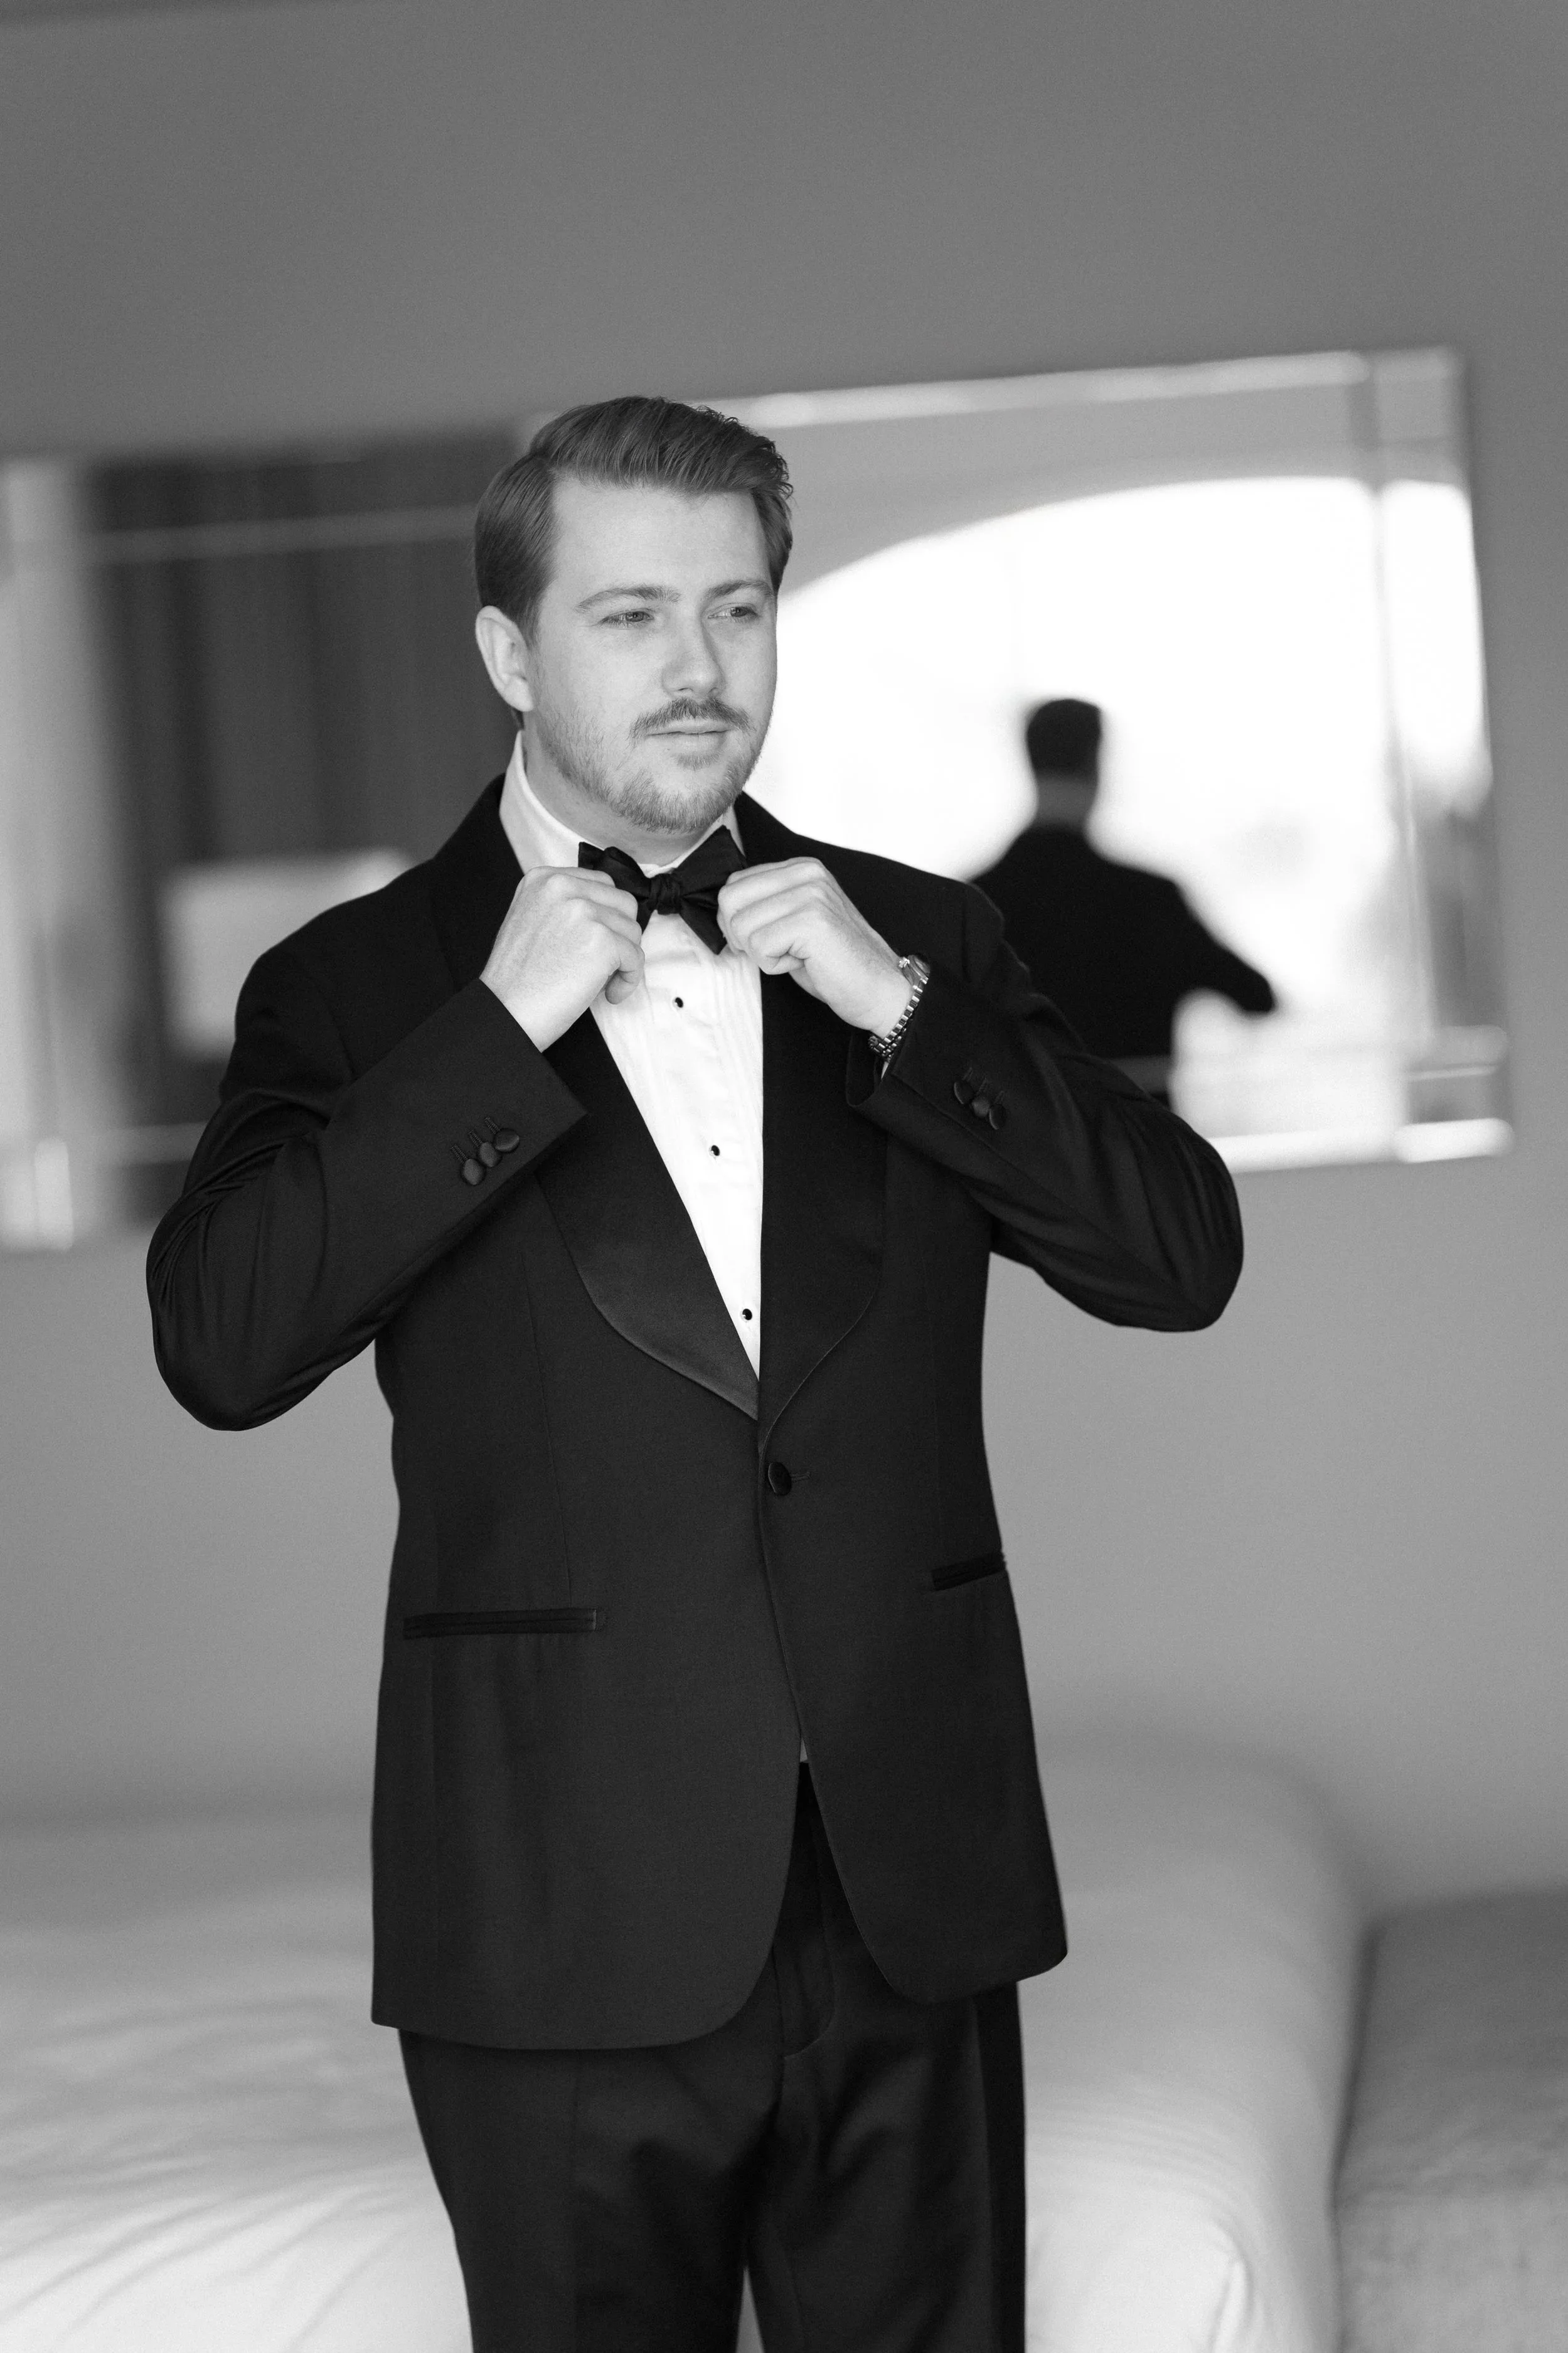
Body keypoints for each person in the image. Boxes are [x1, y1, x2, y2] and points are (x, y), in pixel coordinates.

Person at [147, 399, 1245, 2353]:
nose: (697, 667)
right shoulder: (353, 984)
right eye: (632, 612)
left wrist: (898, 1011)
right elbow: (223, 1345)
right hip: (556, 1902)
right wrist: (496, 1035)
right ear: (510, 651)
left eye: (736, 607)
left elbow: (1175, 1257)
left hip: (908, 1884)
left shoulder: (920, 934)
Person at [975, 699, 1277, 1101]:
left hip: (1016, 1153)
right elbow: (1257, 996)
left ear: (1029, 763)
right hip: (1140, 1150)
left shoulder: (975, 906)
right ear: (1096, 764)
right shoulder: (1151, 900)